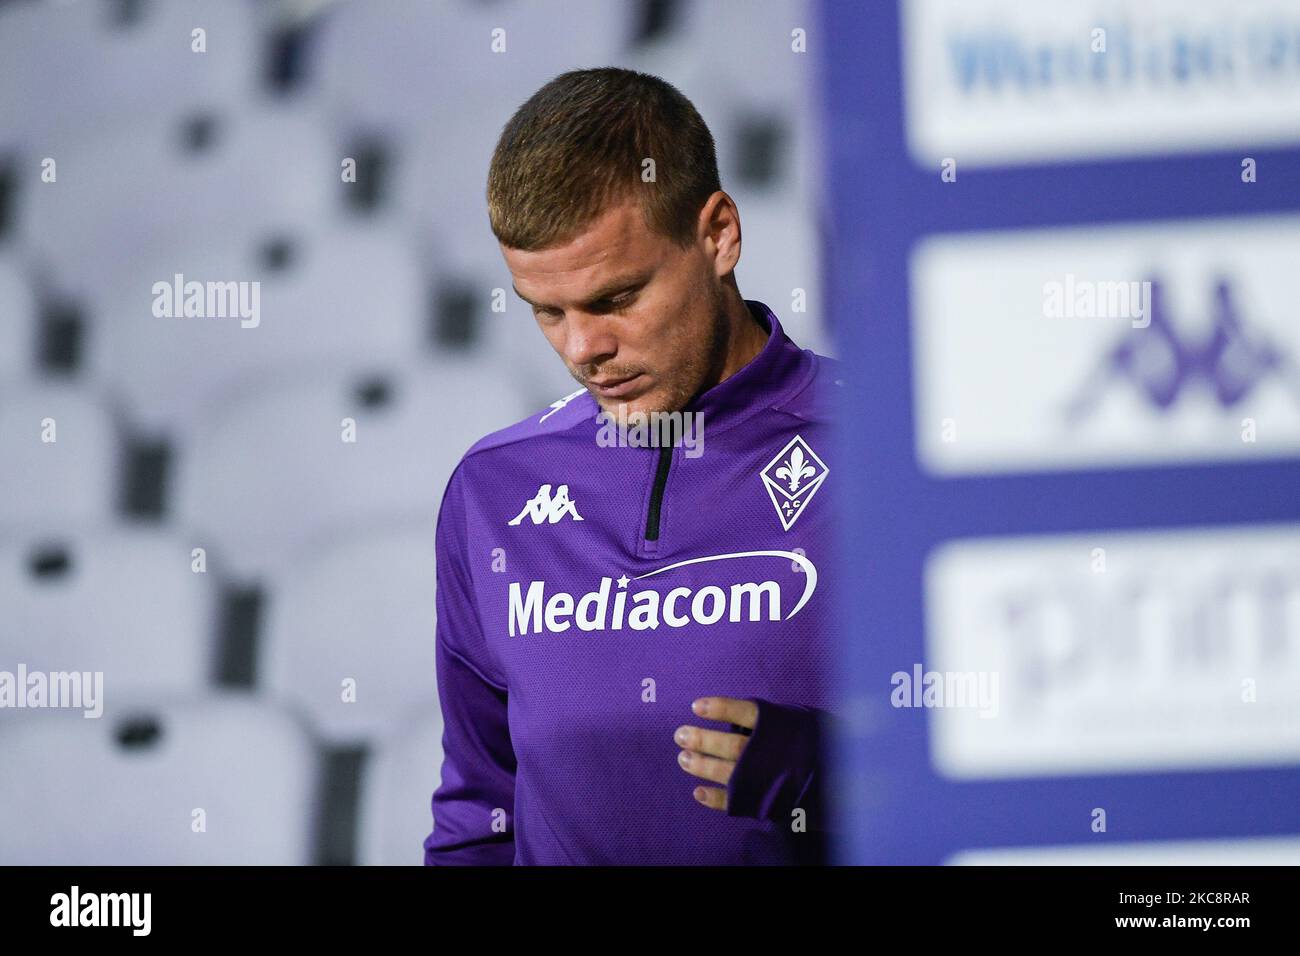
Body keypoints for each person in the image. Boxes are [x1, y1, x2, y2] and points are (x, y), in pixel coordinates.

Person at [424, 67, 841, 865]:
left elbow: (1006, 760)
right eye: (548, 311)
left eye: (616, 299)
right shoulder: (493, 490)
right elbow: (480, 810)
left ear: (717, 234)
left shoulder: (879, 453)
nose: (584, 351)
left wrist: (838, 774)